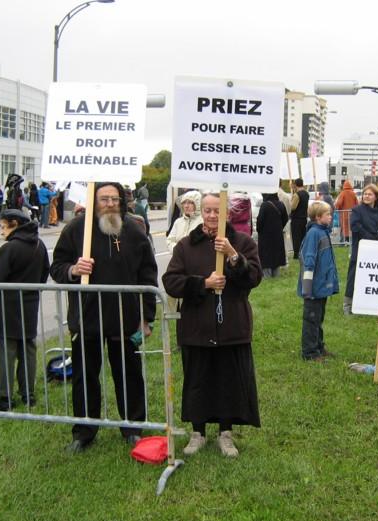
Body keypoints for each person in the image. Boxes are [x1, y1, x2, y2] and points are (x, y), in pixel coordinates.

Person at [50, 182, 158, 453]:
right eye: (103, 199)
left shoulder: (134, 230)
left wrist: (146, 317)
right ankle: (84, 431)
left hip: (126, 319)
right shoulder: (77, 230)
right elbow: (57, 267)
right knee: (84, 377)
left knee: (129, 376)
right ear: (93, 201)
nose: (110, 204)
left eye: (114, 199)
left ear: (121, 201)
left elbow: (147, 275)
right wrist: (74, 269)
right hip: (87, 319)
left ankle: (133, 427)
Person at [162, 193, 262, 458]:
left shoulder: (243, 242)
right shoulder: (186, 245)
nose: (212, 216)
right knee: (198, 379)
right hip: (197, 325)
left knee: (228, 380)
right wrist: (203, 284)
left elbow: (254, 277)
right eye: (207, 210)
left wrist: (232, 255)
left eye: (217, 211)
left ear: (227, 213)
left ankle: (225, 433)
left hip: (232, 325)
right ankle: (198, 432)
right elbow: (171, 281)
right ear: (201, 212)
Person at [0, 209, 50, 411]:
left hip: (5, 308)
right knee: (28, 350)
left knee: (6, 354)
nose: (1, 231)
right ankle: (28, 394)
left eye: (3, 226)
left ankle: (6, 398)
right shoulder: (39, 245)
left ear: (14, 224)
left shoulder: (9, 249)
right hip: (28, 305)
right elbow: (44, 274)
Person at [298, 201, 339, 361]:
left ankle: (319, 346)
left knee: (318, 318)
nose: (331, 216)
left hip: (321, 287)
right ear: (317, 217)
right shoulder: (314, 233)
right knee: (311, 320)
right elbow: (309, 260)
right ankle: (309, 352)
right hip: (313, 288)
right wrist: (307, 289)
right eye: (328, 214)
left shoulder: (323, 231)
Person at [343, 184, 378, 315]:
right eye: (365, 194)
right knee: (354, 275)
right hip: (360, 248)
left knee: (374, 277)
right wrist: (370, 237)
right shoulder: (357, 210)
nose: (366, 196)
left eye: (369, 194)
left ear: (376, 197)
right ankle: (348, 304)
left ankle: (371, 303)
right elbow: (355, 226)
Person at [257, 192, 288, 278]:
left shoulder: (265, 205)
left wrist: (259, 230)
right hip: (277, 234)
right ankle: (276, 275)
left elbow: (260, 221)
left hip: (265, 235)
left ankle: (267, 276)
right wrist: (279, 227)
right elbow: (285, 218)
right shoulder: (281, 204)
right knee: (276, 255)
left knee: (266, 256)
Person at [290, 178, 310, 259]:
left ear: (296, 185)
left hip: (296, 219)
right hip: (304, 218)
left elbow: (293, 207)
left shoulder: (297, 195)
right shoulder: (306, 194)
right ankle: (303, 252)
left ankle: (296, 254)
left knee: (296, 237)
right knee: (303, 236)